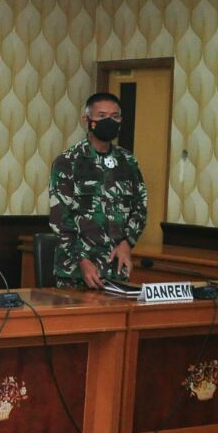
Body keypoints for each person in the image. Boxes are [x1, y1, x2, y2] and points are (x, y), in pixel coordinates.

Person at [49, 92, 148, 289]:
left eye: (115, 116)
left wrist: (127, 243)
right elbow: (60, 220)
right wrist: (82, 261)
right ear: (87, 120)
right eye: (102, 116)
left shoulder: (128, 161)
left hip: (116, 270)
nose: (109, 121)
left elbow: (140, 207)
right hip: (77, 273)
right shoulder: (68, 161)